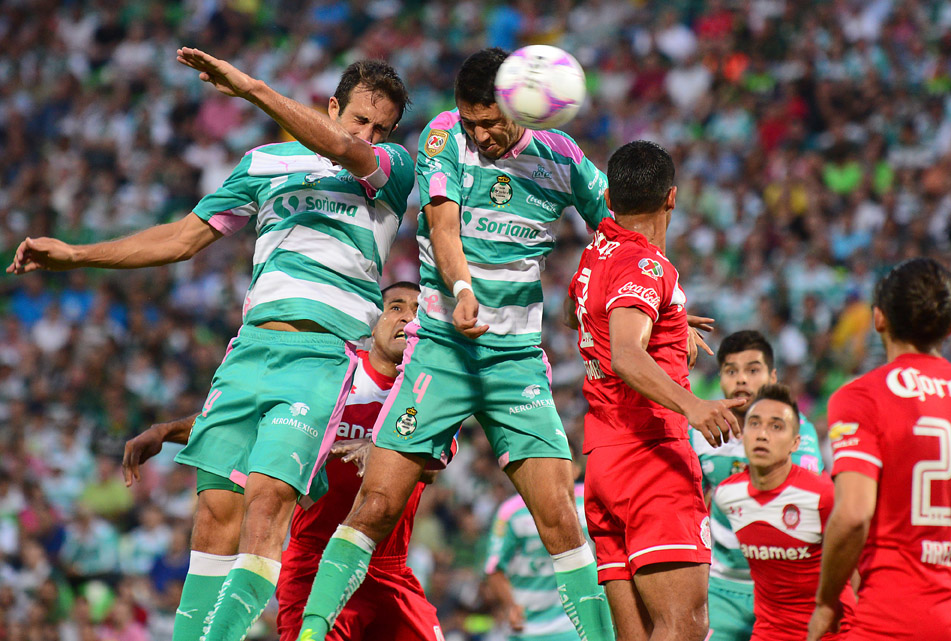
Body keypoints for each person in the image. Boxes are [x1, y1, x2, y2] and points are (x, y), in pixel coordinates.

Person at [9, 51, 414, 641]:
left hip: (325, 356)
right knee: (215, 513)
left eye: (381, 128)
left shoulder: (392, 168)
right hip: (249, 352)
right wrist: (76, 254)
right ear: (332, 106)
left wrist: (251, 89)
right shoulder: (264, 163)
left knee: (267, 500)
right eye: (358, 120)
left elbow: (346, 152)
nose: (368, 134)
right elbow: (182, 238)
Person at [270, 47, 617, 641]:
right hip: (441, 354)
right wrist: (460, 287)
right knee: (375, 507)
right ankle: (311, 633)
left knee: (561, 517)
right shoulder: (443, 138)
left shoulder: (562, 156)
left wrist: (649, 301)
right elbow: (443, 224)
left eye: (491, 122)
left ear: (520, 108)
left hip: (515, 362)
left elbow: (614, 228)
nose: (480, 134)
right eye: (472, 120)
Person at [124, 283, 453, 641]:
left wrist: (380, 449)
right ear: (372, 322)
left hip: (388, 570)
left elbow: (433, 465)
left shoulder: (431, 392)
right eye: (396, 307)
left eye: (418, 311)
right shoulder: (335, 373)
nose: (407, 317)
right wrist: (165, 430)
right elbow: (250, 424)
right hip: (313, 562)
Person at [567, 140, 744, 641]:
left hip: (603, 461)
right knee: (683, 627)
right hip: (650, 457)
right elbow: (626, 354)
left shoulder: (595, 252)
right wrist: (694, 407)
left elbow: (574, 311)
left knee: (639, 635)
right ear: (672, 198)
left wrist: (668, 321)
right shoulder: (646, 266)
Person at [809, 257, 951, 641]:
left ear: (879, 319)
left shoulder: (861, 397)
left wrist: (827, 601)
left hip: (891, 616)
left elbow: (854, 515)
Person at [689, 331, 824, 641]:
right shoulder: (697, 433)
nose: (741, 380)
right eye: (731, 371)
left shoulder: (797, 432)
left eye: (753, 370)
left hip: (781, 588)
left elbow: (807, 504)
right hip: (720, 586)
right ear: (719, 377)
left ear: (773, 376)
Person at [712, 384, 854, 641]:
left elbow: (857, 568)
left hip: (831, 631)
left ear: (795, 443)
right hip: (770, 631)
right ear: (743, 434)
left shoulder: (823, 496)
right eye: (754, 424)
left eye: (776, 426)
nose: (762, 434)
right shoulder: (726, 495)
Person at [485, 483, 589, 641]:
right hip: (527, 627)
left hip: (576, 626)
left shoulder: (588, 499)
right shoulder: (511, 512)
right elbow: (494, 568)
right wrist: (511, 606)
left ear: (575, 470)